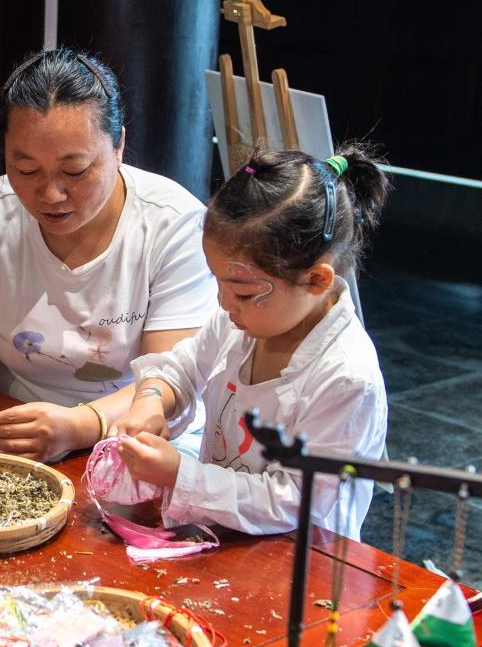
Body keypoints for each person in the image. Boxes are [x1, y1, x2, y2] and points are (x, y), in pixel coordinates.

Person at [0, 48, 216, 459]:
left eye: (75, 171)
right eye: (26, 170)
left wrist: (81, 425)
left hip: (144, 444)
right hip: (17, 432)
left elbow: (170, 381)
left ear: (119, 145)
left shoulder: (175, 224)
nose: (51, 194)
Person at [111, 145, 390, 541]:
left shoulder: (346, 379)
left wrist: (180, 474)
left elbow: (294, 501)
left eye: (242, 292)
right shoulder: (242, 322)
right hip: (224, 537)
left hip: (300, 558)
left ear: (316, 280)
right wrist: (151, 399)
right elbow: (184, 367)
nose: (224, 303)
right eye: (217, 282)